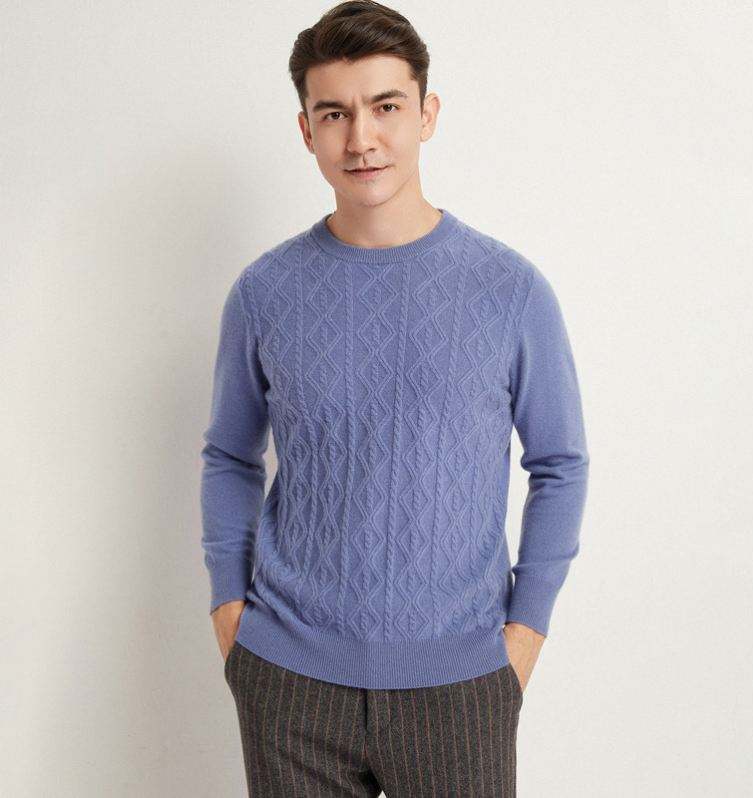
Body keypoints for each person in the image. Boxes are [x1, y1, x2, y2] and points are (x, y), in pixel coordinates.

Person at [200, 2, 589, 795]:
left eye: (385, 107)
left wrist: (524, 635)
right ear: (306, 130)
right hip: (289, 681)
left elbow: (560, 464)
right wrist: (229, 613)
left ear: (426, 115)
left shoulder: (509, 290)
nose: (361, 139)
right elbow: (228, 456)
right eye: (334, 114)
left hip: (461, 683)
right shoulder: (264, 292)